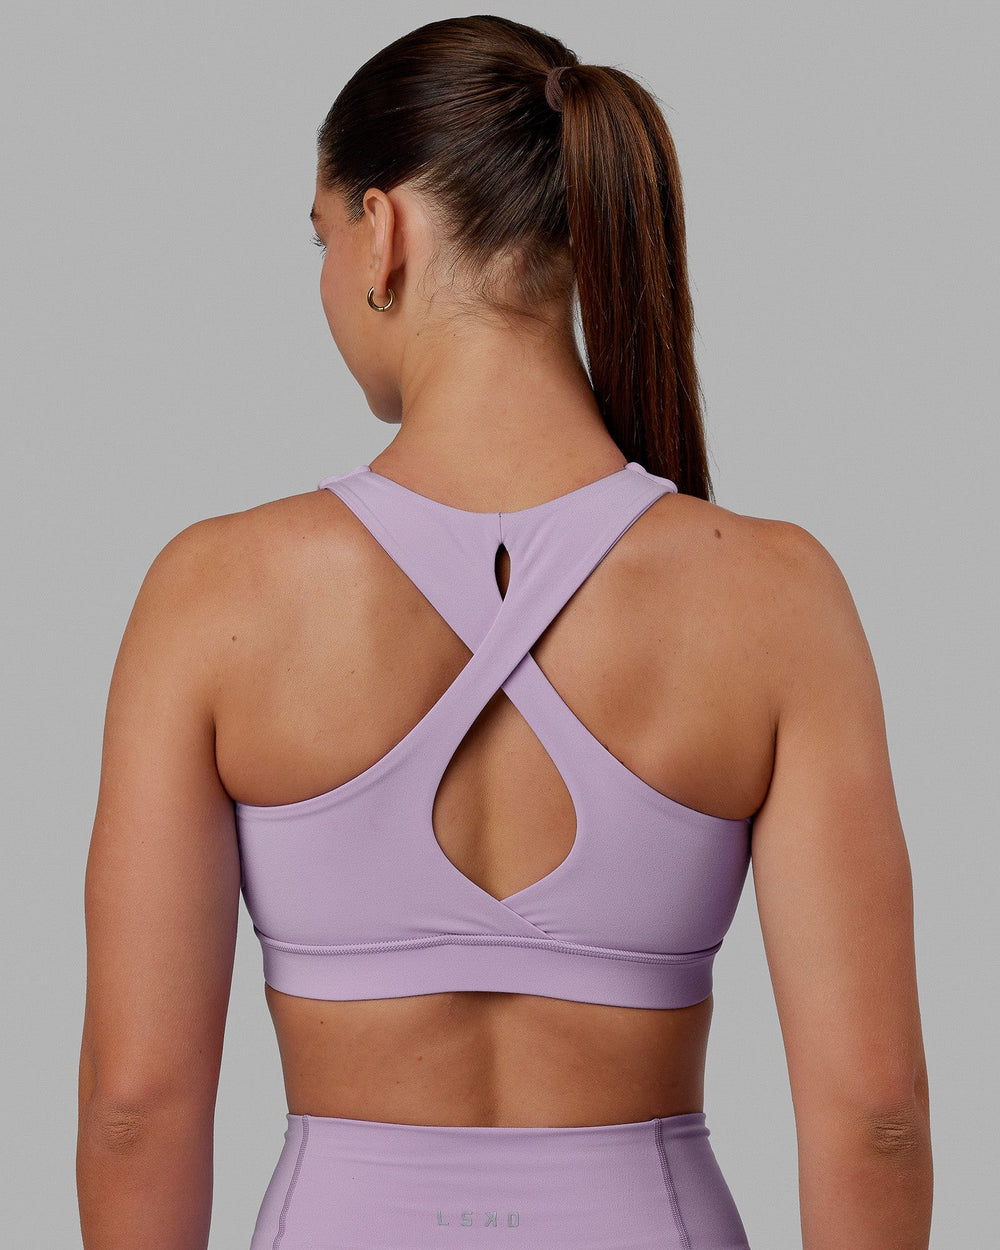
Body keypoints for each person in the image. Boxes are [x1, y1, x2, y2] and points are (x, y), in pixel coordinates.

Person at [76, 15, 932, 1250]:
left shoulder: (214, 594)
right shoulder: (775, 595)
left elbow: (134, 1107)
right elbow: (874, 1114)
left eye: (320, 236)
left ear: (383, 232)